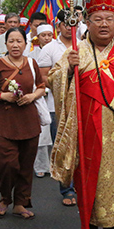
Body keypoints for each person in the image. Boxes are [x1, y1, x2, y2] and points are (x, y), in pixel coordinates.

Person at [49, 0, 114, 229]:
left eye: (110, 19)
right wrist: (67, 70)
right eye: (98, 19)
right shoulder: (77, 52)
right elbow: (52, 80)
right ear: (87, 21)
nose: (105, 24)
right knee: (95, 188)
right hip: (90, 133)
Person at [0, 27, 45, 219]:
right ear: (5, 44)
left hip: (29, 122)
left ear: (26, 44)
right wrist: (3, 96)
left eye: (19, 41)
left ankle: (20, 203)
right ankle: (4, 198)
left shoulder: (32, 63)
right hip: (6, 124)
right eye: (11, 41)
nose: (16, 45)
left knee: (26, 166)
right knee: (7, 165)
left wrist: (33, 95)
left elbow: (42, 87)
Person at [35, 11, 77, 206]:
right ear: (58, 26)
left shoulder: (85, 46)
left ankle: (83, 187)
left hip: (83, 105)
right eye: (65, 23)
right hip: (56, 106)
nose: (70, 27)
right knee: (62, 146)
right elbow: (44, 78)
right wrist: (65, 84)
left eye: (73, 23)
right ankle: (67, 189)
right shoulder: (49, 49)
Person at [27, 23, 55, 178]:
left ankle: (55, 165)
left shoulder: (57, 51)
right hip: (40, 95)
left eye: (49, 35)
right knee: (42, 133)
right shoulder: (32, 55)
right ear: (38, 37)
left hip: (55, 96)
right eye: (43, 35)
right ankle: (41, 165)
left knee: (56, 133)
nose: (46, 38)